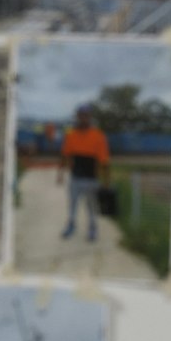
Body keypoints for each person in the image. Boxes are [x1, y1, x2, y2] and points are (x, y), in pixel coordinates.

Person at [58, 103, 110, 242]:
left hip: (92, 179)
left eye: (86, 116)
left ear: (90, 117)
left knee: (91, 207)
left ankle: (93, 229)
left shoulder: (98, 136)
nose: (83, 119)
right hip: (75, 178)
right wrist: (60, 174)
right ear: (77, 117)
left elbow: (104, 161)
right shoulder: (71, 135)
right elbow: (65, 155)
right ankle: (71, 225)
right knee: (72, 205)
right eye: (80, 116)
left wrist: (106, 181)